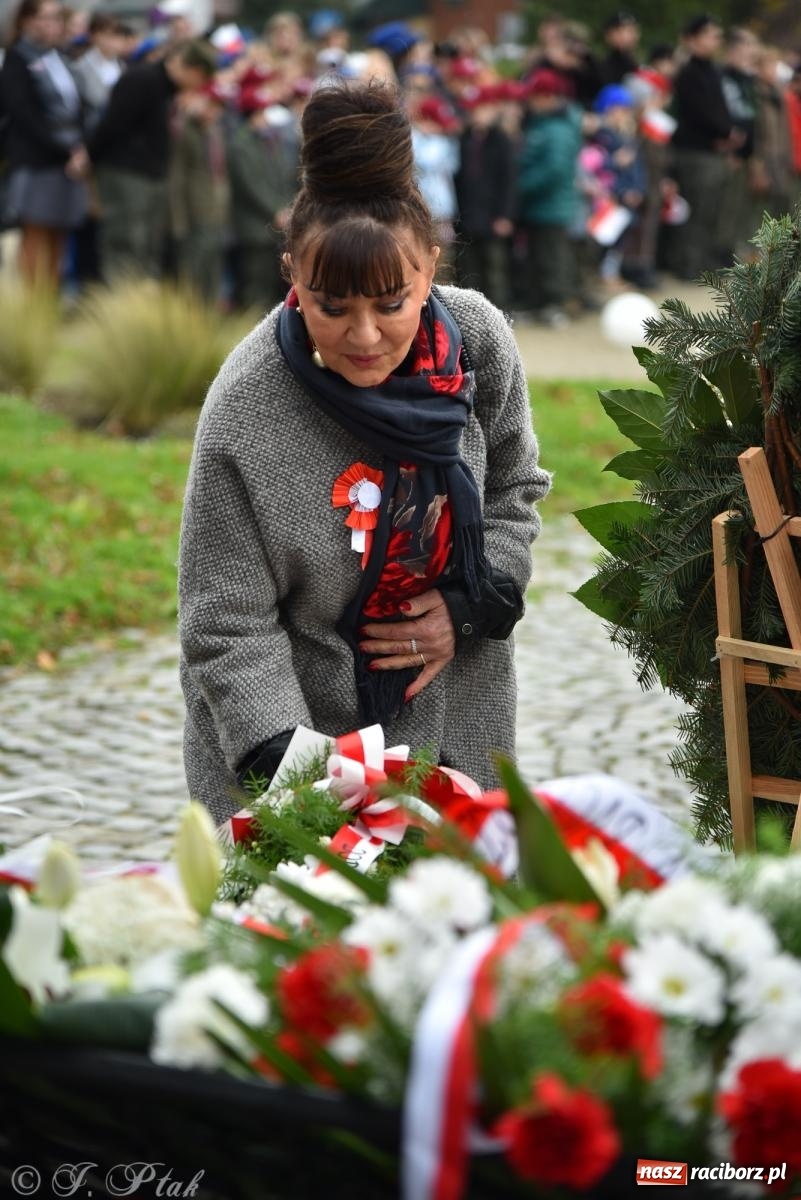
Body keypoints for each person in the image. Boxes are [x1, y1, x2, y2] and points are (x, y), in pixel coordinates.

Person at [178, 80, 550, 824]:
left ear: (430, 268)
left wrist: (464, 607)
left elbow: (513, 491)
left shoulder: (476, 343)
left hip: (455, 728)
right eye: (331, 306)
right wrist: (315, 781)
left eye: (390, 303)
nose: (364, 336)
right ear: (293, 272)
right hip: (299, 742)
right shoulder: (244, 410)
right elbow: (225, 624)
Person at [88, 38, 216, 281]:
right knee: (126, 241)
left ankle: (143, 304)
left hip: (152, 177)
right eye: (201, 81)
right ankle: (120, 303)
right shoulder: (140, 79)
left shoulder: (168, 91)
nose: (196, 88)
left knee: (148, 246)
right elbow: (111, 126)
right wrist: (90, 159)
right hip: (127, 175)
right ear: (195, 71)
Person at [0, 0, 88, 285]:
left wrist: (82, 149)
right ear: (26, 21)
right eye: (46, 18)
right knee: (36, 234)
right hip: (38, 159)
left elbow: (79, 107)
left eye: (57, 18)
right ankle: (32, 310)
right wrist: (65, 151)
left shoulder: (61, 57)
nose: (54, 25)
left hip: (69, 158)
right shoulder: (17, 58)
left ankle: (51, 300)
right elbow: (23, 113)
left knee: (60, 233)